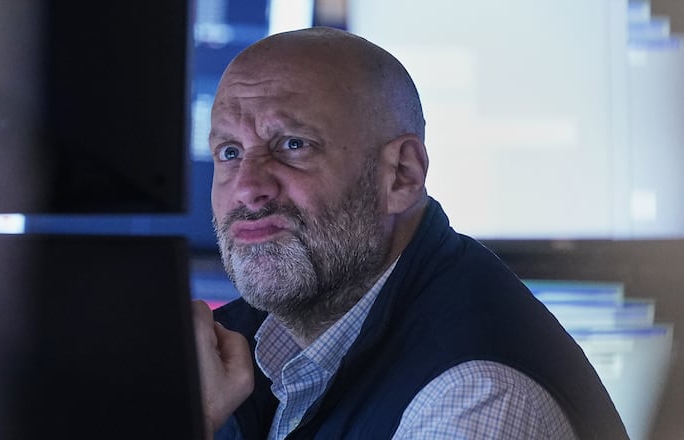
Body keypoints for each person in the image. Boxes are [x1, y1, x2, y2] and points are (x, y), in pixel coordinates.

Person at [192, 26, 628, 439]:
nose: (248, 188)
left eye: (293, 145)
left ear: (401, 174)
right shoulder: (263, 335)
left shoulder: (477, 399)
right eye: (229, 152)